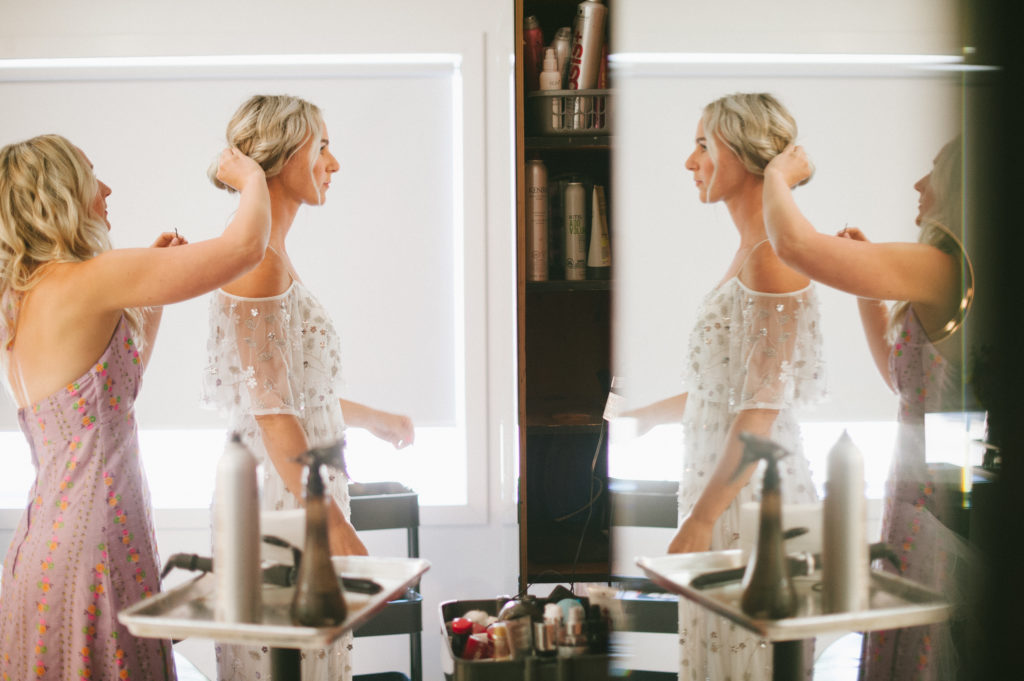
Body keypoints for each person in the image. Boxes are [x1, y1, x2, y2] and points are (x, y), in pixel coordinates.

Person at [0, 134, 271, 680]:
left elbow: (113, 390)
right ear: (61, 194)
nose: (106, 189)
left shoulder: (25, 297)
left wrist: (146, 289)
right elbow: (244, 248)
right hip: (94, 544)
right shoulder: (90, 278)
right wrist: (253, 179)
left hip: (49, 544)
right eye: (91, 176)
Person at [201, 94, 415, 681]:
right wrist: (340, 535)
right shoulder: (260, 261)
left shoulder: (271, 252)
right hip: (284, 511)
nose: (333, 163)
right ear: (284, 154)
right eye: (323, 146)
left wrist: (374, 419)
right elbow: (272, 417)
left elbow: (282, 390)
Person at [630, 93, 825, 680]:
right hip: (722, 493)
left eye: (702, 145)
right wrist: (640, 417)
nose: (691, 162)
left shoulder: (771, 258)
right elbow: (725, 392)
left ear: (742, 156)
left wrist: (700, 521)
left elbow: (760, 413)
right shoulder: (748, 250)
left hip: (749, 502)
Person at [763, 138, 973, 680]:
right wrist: (868, 294)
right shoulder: (944, 277)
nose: (918, 185)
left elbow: (796, 245)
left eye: (933, 173)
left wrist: (777, 178)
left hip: (934, 517)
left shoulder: (943, 269)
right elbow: (904, 383)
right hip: (914, 505)